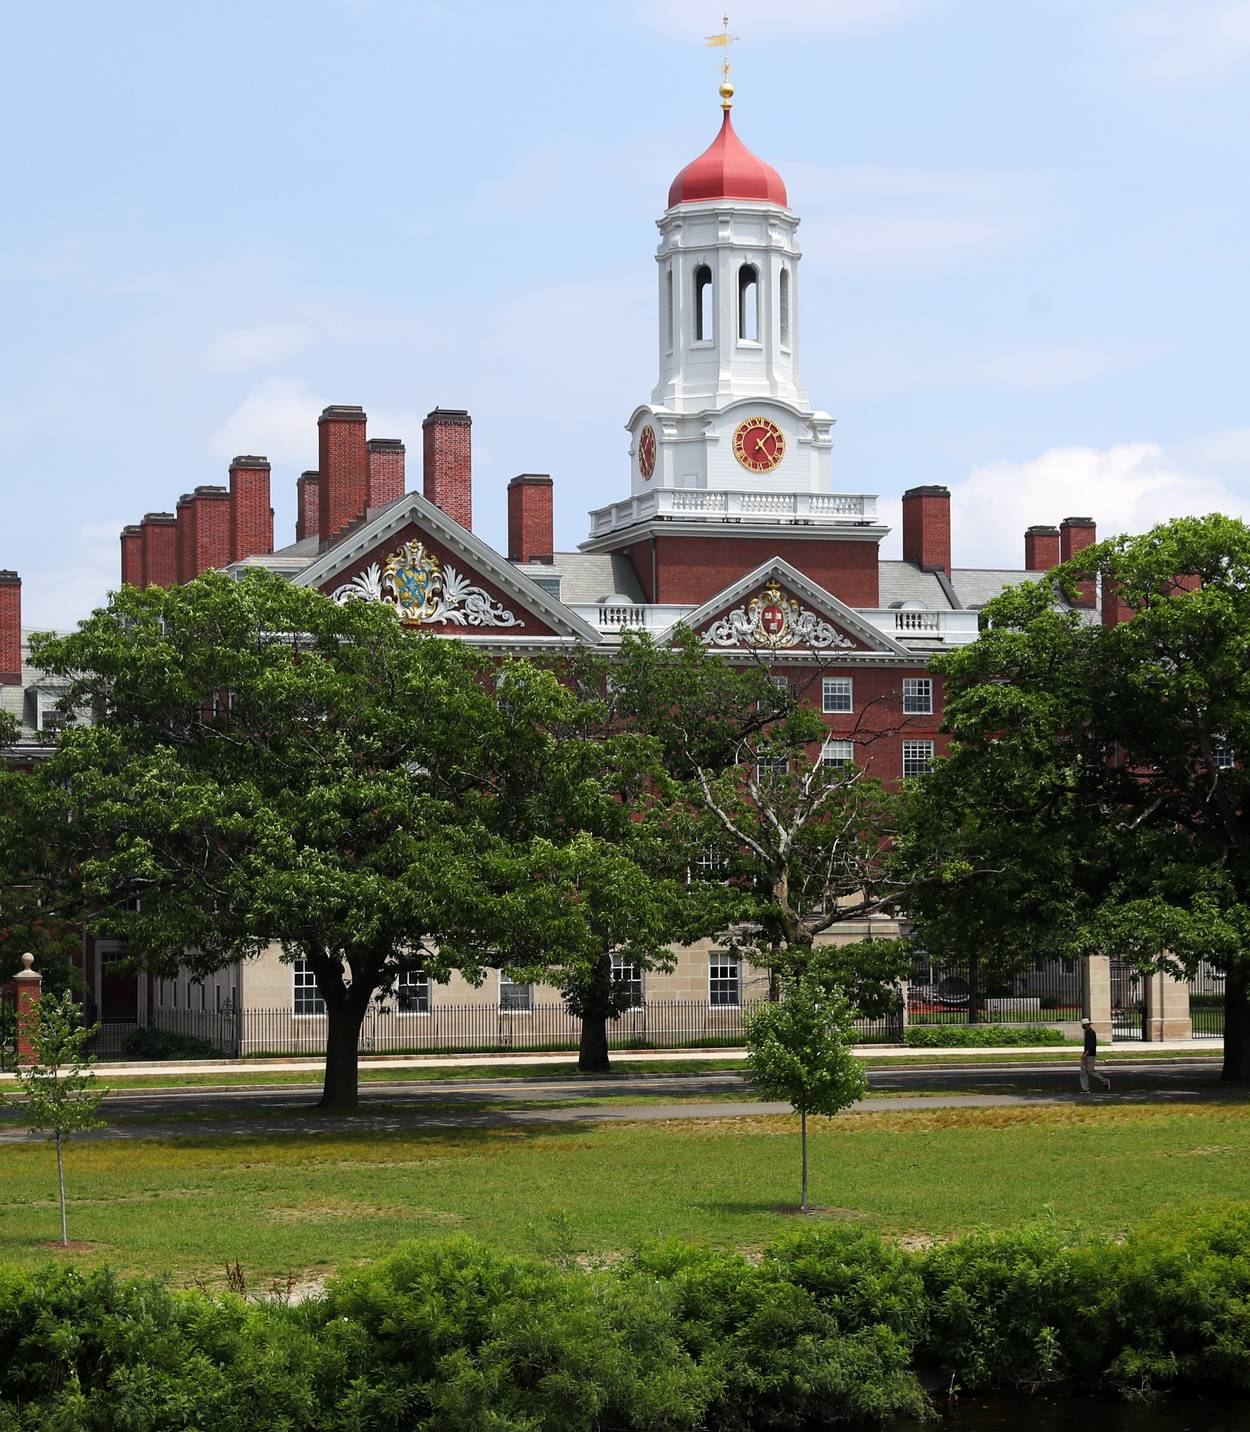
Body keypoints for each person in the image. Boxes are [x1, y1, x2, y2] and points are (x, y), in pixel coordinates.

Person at [1080, 1018, 1111, 1093]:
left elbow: (1091, 1045)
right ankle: (1085, 1089)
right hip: (1086, 1053)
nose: (1083, 1026)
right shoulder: (1087, 1032)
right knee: (1083, 1071)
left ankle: (1105, 1081)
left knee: (1090, 1070)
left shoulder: (1091, 1032)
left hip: (1090, 1054)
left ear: (1086, 1025)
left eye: (1083, 1025)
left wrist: (1085, 1054)